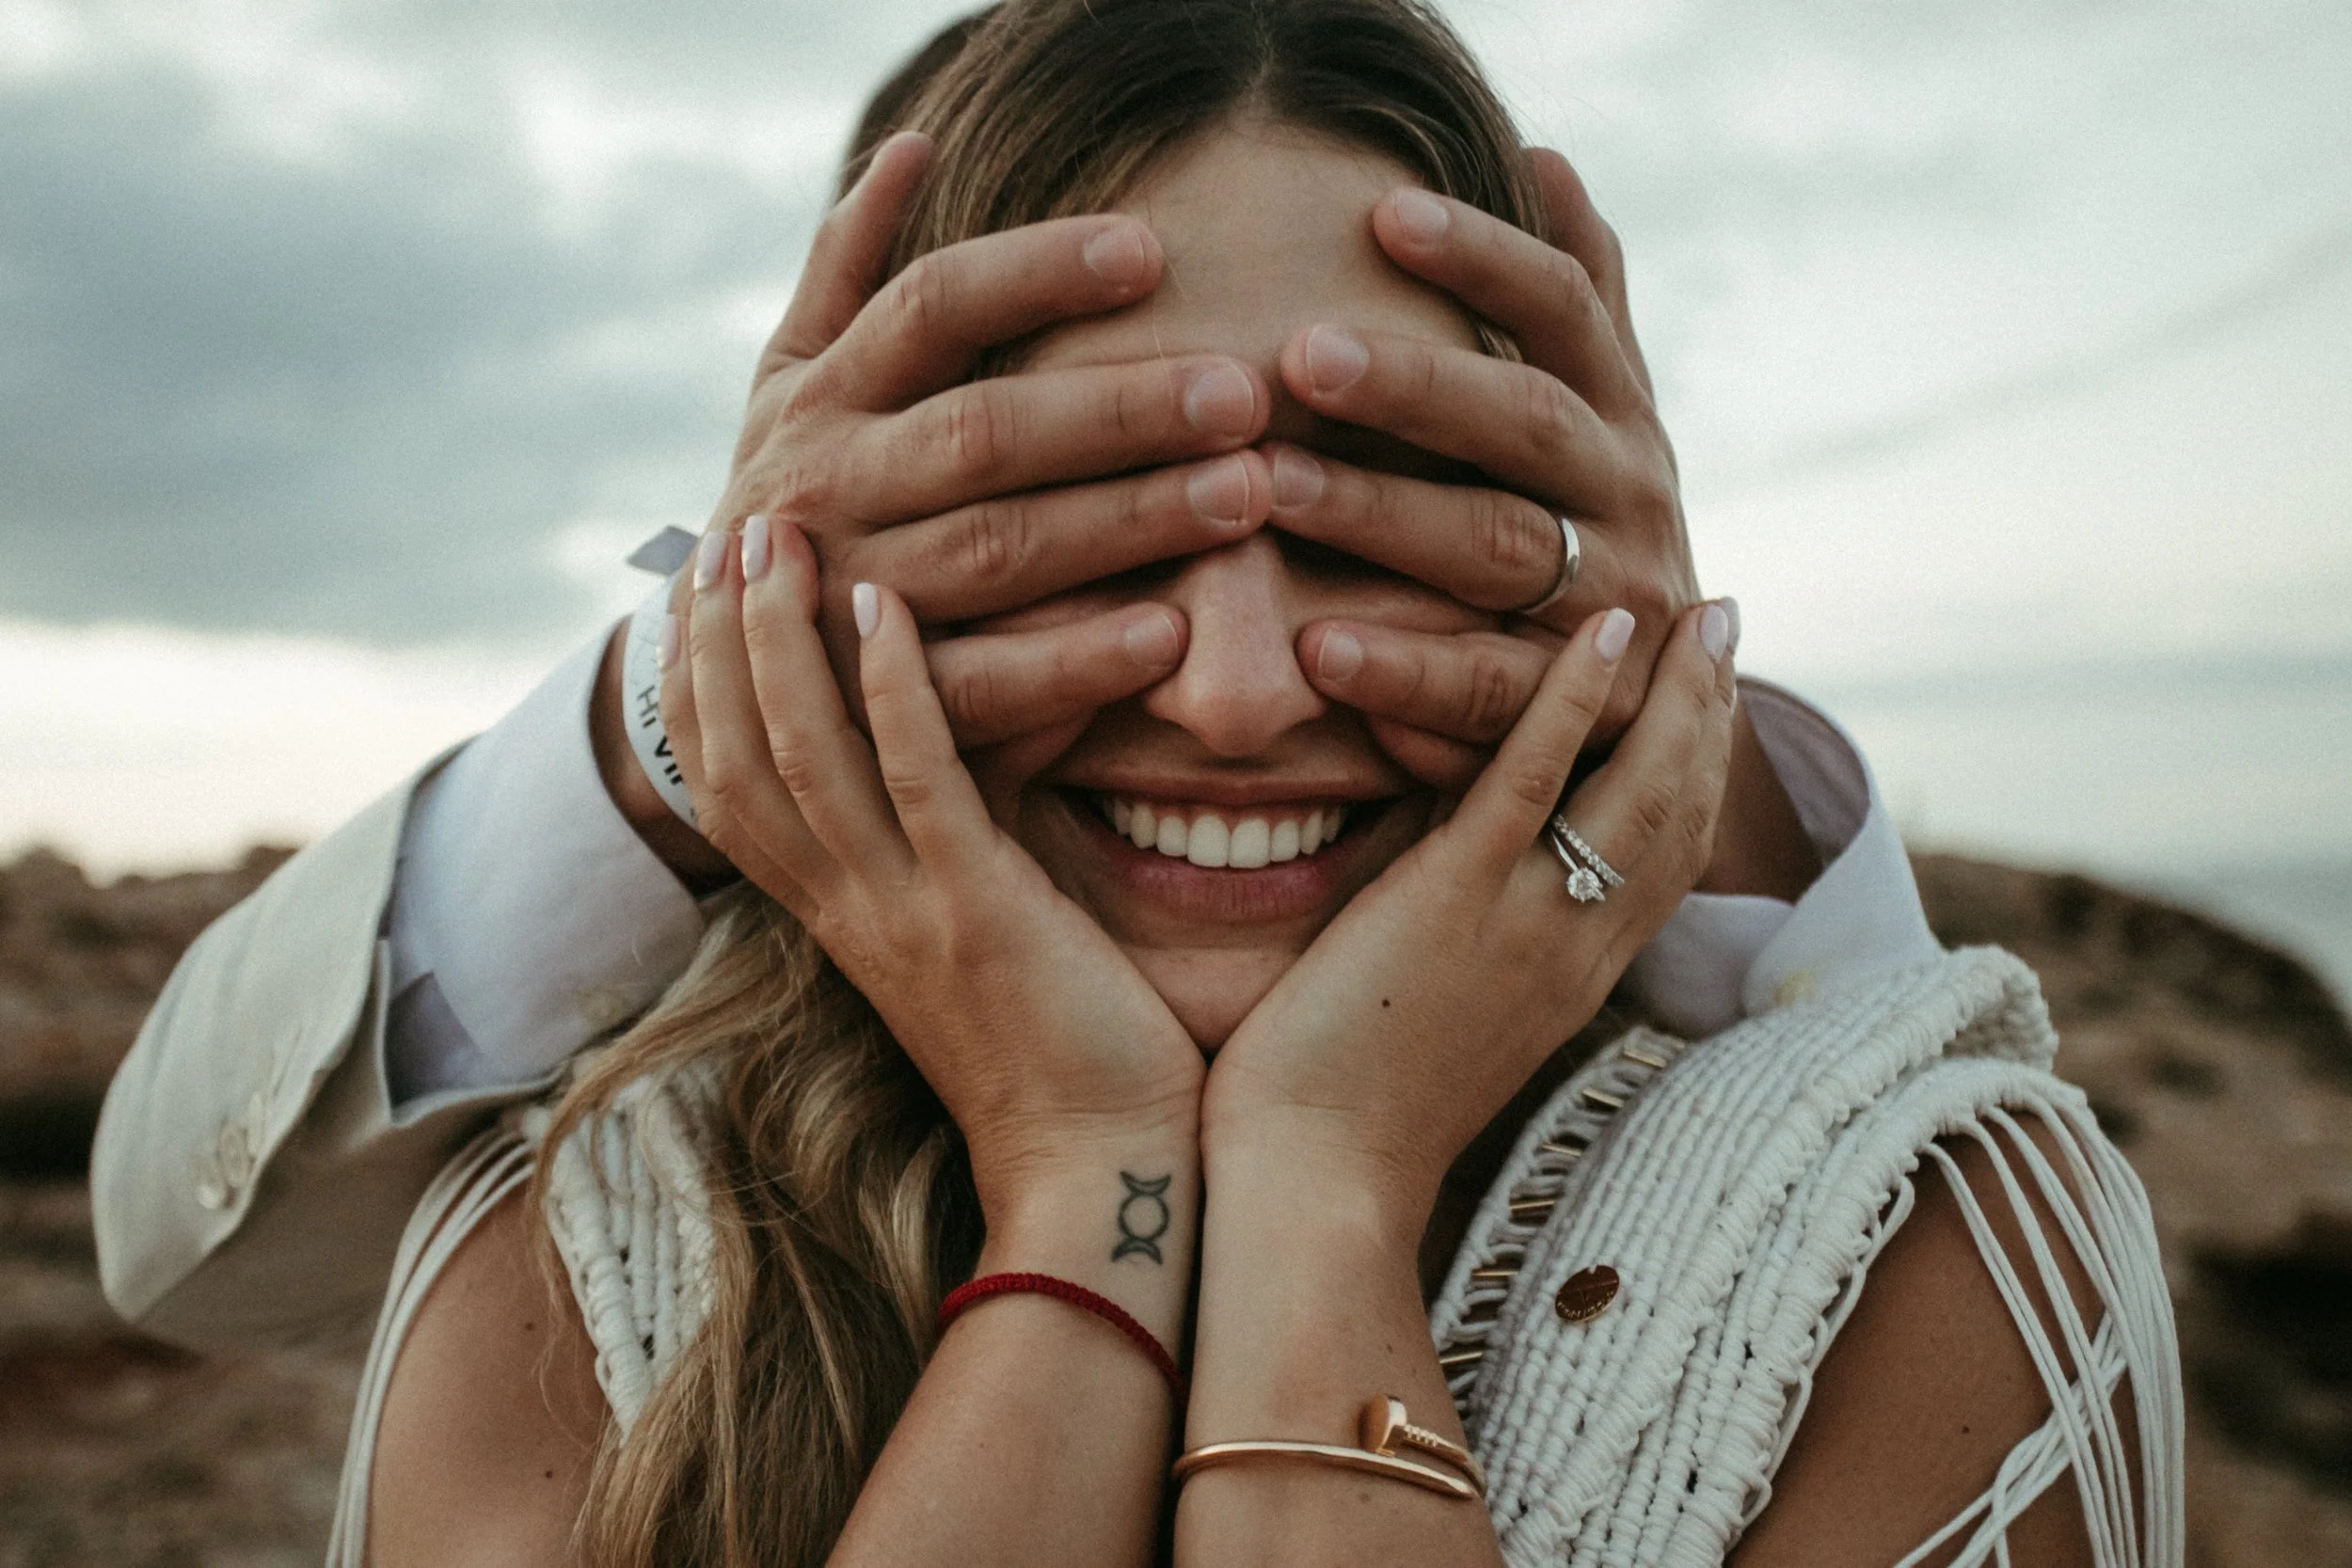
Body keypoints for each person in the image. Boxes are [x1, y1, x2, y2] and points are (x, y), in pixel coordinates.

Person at [95, 2, 2182, 1565]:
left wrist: (1336, 1161)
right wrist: (712, 684)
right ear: (858, 533)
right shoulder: (592, 1262)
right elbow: (165, 1237)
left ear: (1546, 514)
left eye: (1373, 512)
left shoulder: (1909, 1260)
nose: (1243, 689)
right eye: (1073, 515)